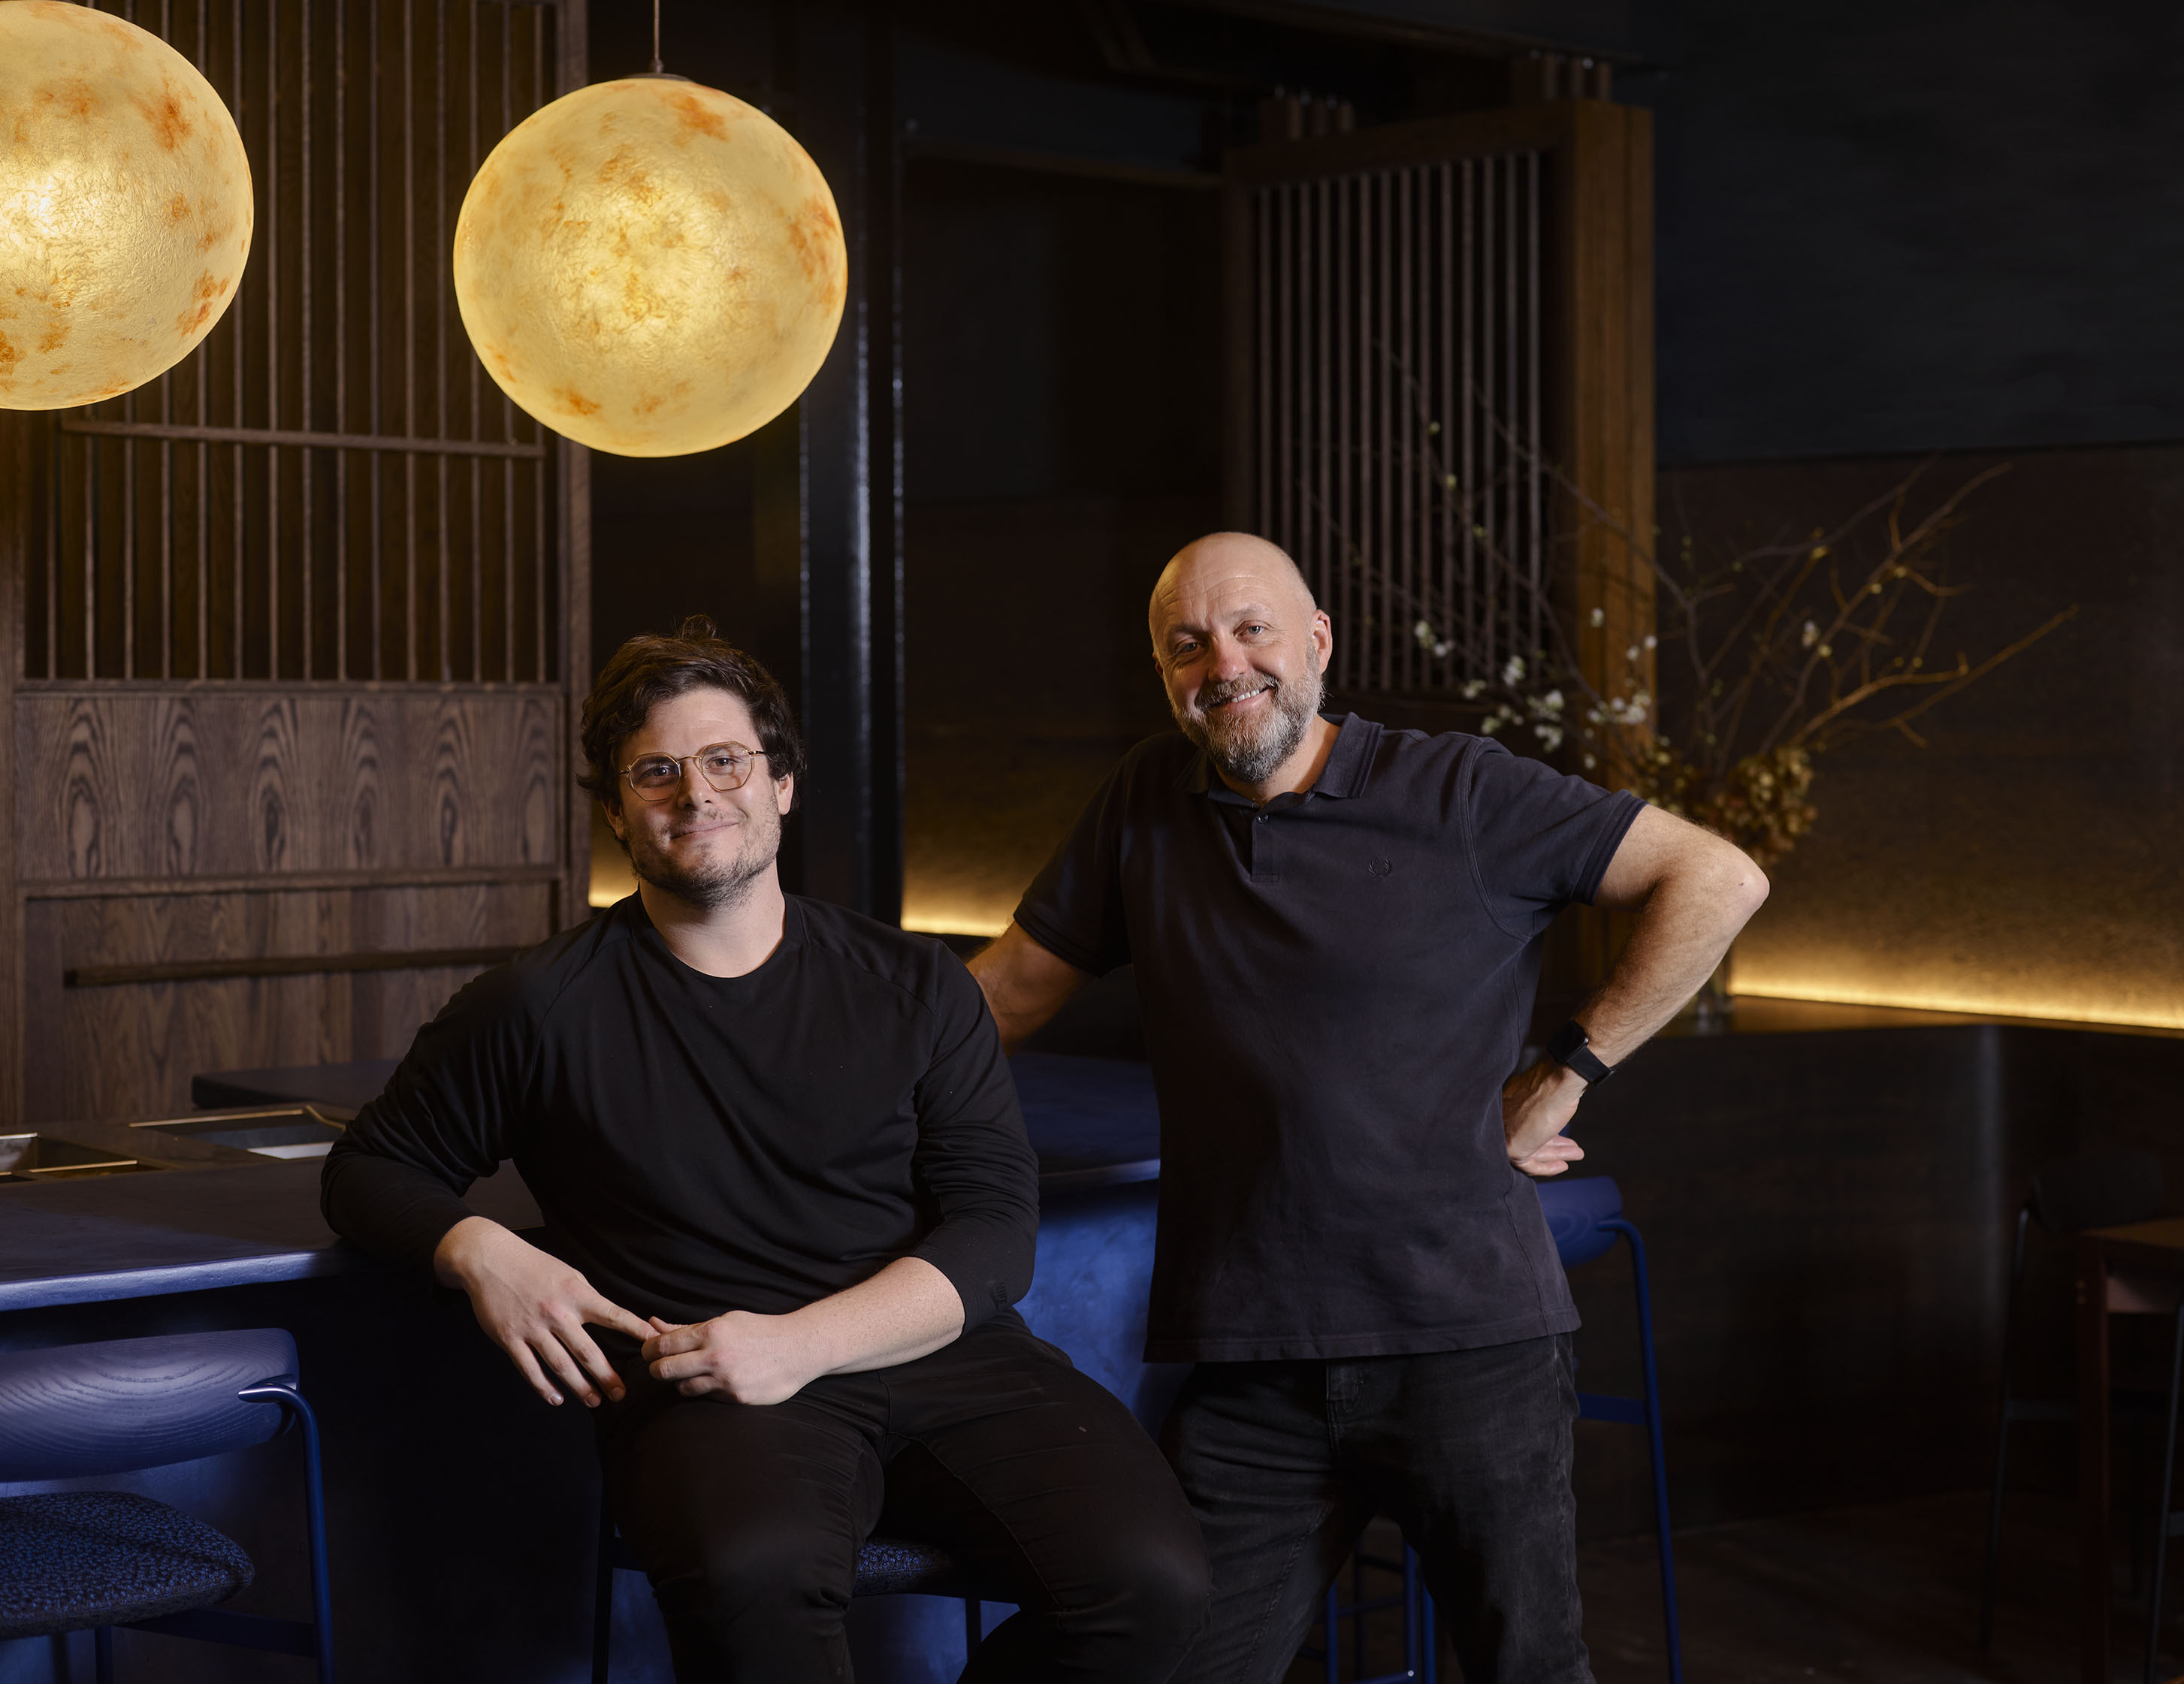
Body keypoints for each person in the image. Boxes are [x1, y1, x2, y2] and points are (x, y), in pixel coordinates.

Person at [322, 619, 1207, 1684]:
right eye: (656, 772)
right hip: (707, 1382)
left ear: (781, 784)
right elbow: (367, 1169)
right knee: (755, 1578)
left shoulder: (917, 985)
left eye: (726, 760)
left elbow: (996, 1233)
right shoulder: (535, 1007)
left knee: (1156, 1584)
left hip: (945, 1361)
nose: (695, 793)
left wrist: (801, 1343)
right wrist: (481, 1250)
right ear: (617, 813)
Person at [968, 533, 1769, 1684]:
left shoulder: (1461, 790)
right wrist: (805, 1058)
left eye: (1252, 629)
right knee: (1172, 1663)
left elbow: (1718, 878)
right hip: (1254, 1361)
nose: (1225, 664)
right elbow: (1005, 994)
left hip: (1466, 1340)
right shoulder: (1145, 801)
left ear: (1318, 643)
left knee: (1529, 1671)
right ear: (1163, 672)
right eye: (1188, 644)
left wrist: (1565, 1072)